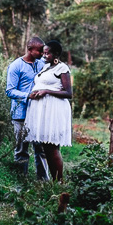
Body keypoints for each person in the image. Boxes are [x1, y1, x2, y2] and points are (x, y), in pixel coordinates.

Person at [23, 40, 72, 181]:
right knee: (46, 146)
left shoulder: (62, 68)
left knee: (51, 146)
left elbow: (68, 93)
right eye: (44, 52)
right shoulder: (46, 67)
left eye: (47, 53)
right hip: (43, 110)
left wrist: (46, 91)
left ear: (56, 53)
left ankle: (59, 181)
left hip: (54, 109)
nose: (45, 55)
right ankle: (55, 180)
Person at [6, 36, 48, 180]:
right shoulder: (15, 66)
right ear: (30, 50)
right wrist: (27, 95)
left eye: (43, 51)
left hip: (38, 114)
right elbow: (10, 91)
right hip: (20, 114)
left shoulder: (42, 64)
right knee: (21, 150)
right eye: (39, 51)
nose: (42, 54)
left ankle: (43, 181)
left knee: (41, 149)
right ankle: (20, 181)